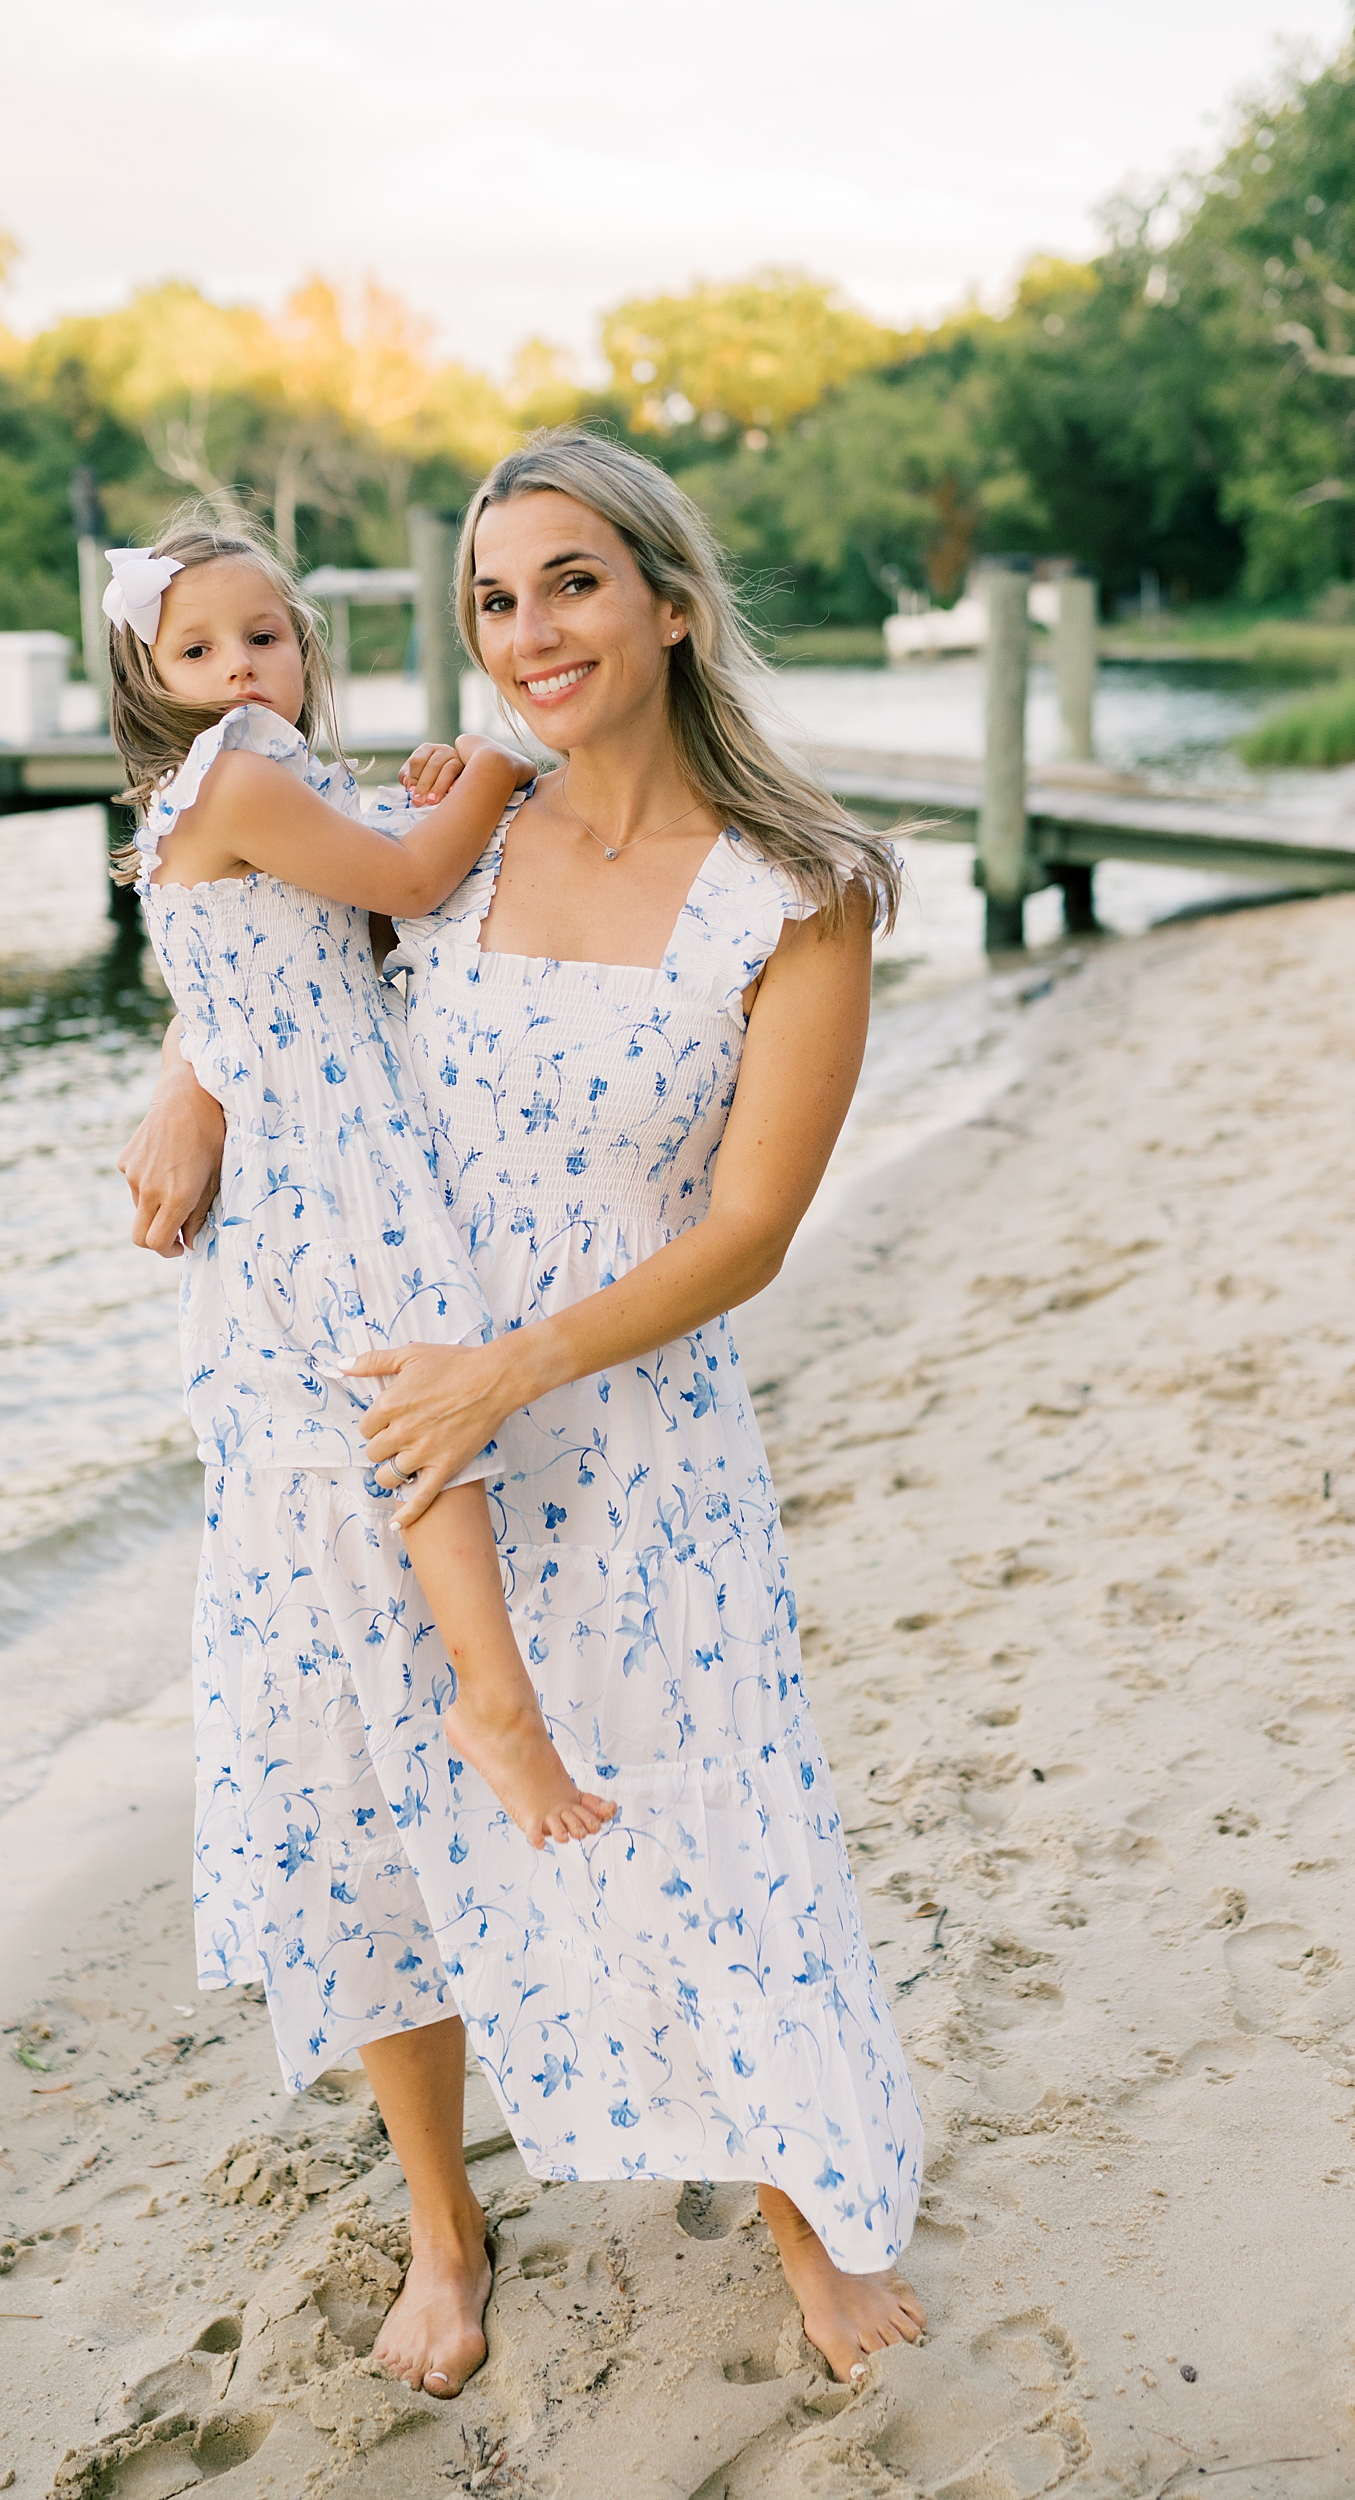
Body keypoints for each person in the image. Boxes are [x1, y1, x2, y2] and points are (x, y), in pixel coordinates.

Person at [119, 437, 926, 2399]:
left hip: (617, 1432)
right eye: (493, 599)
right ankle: (441, 2218)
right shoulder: (463, 827)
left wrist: (520, 1363)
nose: (528, 632)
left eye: (569, 583)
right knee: (374, 1810)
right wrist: (186, 1085)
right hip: (371, 1417)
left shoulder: (796, 892)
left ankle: (803, 2208)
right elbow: (275, 961)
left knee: (703, 1813)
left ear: (665, 599)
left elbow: (746, 1230)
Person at [106, 517, 619, 1907]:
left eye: (262, 638)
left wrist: (438, 789)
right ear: (151, 673)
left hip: (339, 1129)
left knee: (420, 1389)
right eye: (197, 649)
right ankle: (494, 1702)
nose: (237, 670)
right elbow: (407, 881)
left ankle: (488, 1695)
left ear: (305, 641)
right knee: (415, 1394)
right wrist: (504, 764)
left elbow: (372, 902)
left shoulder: (272, 773)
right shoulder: (228, 779)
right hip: (314, 1153)